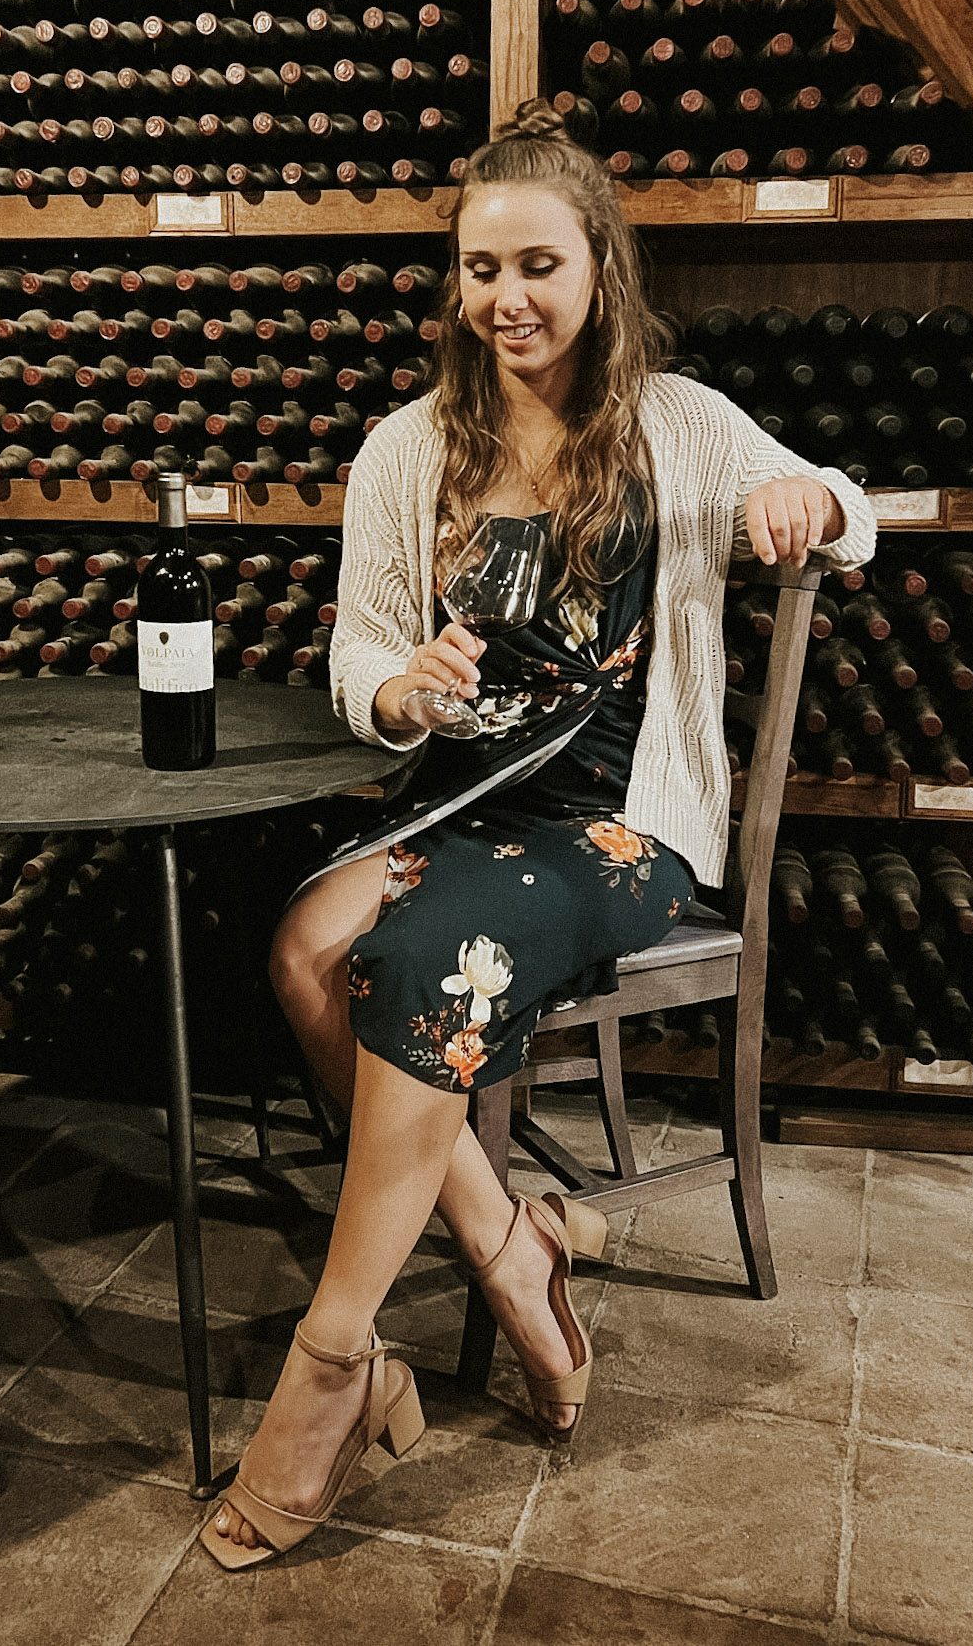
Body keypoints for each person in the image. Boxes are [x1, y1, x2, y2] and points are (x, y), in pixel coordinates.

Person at [200, 100, 878, 1569]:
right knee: (307, 945)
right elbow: (356, 661)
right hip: (457, 799)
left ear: (599, 270)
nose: (507, 299)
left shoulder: (678, 427)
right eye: (482, 268)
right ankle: (516, 1254)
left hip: (624, 826)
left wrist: (801, 494)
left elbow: (856, 511)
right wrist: (402, 690)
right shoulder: (406, 450)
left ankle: (333, 1360)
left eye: (539, 267)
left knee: (436, 960)